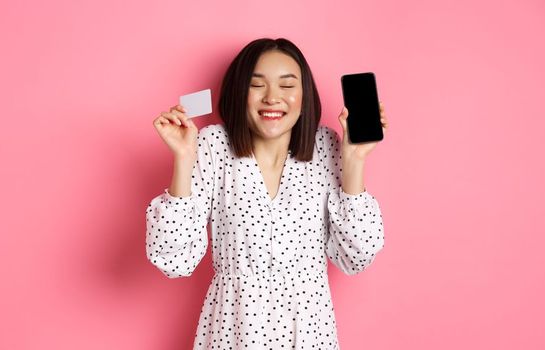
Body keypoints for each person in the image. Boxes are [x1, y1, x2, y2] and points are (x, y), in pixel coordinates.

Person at [146, 37, 388, 349]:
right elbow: (173, 259)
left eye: (287, 85)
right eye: (257, 85)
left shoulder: (329, 146)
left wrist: (355, 160)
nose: (272, 97)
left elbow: (356, 256)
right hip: (233, 332)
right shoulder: (212, 145)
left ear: (305, 96)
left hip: (309, 334)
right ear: (239, 92)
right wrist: (182, 157)